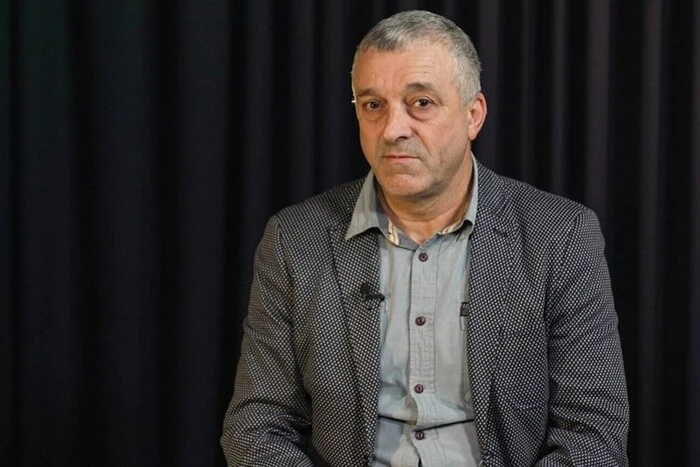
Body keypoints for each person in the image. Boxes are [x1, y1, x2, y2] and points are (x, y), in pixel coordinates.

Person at [220, 9, 629, 467]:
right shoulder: (295, 240)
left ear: (473, 116)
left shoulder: (559, 235)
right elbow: (256, 426)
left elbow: (593, 435)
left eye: (421, 103)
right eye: (373, 105)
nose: (393, 130)